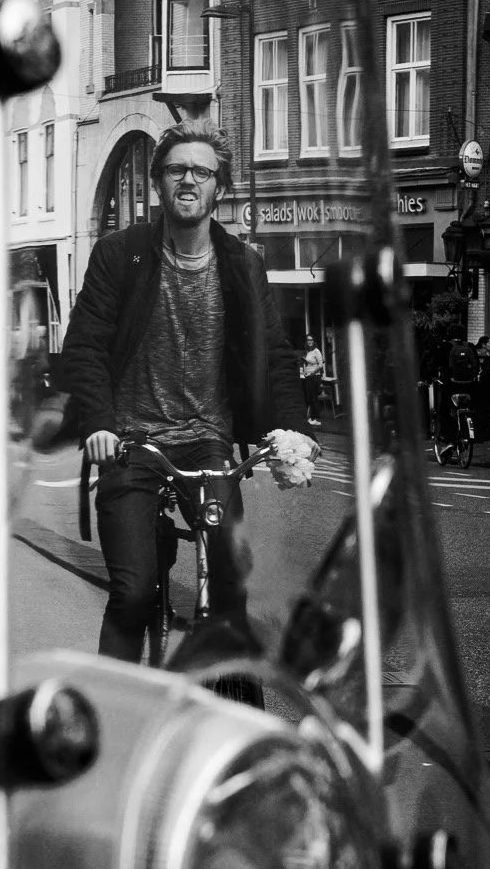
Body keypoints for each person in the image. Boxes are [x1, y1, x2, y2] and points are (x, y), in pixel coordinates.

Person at [61, 121, 314, 661]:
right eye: (177, 169)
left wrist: (294, 428)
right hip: (131, 444)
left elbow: (274, 355)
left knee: (230, 587)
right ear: (158, 183)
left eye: (202, 171)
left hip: (208, 445)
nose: (188, 180)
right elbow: (84, 348)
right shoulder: (119, 254)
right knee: (132, 593)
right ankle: (117, 717)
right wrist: (98, 425)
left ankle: (224, 715)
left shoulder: (244, 265)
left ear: (218, 187)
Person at [475, 335, 490, 443]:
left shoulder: (475, 353)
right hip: (486, 386)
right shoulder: (489, 355)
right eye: (489, 343)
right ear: (483, 344)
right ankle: (483, 434)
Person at [300, 335, 325, 426]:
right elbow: (307, 364)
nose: (309, 341)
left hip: (314, 377)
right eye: (308, 340)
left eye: (311, 340)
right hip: (307, 376)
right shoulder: (308, 352)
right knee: (308, 397)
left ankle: (315, 417)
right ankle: (310, 417)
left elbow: (320, 365)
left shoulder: (316, 351)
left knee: (313, 397)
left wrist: (312, 373)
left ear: (313, 341)